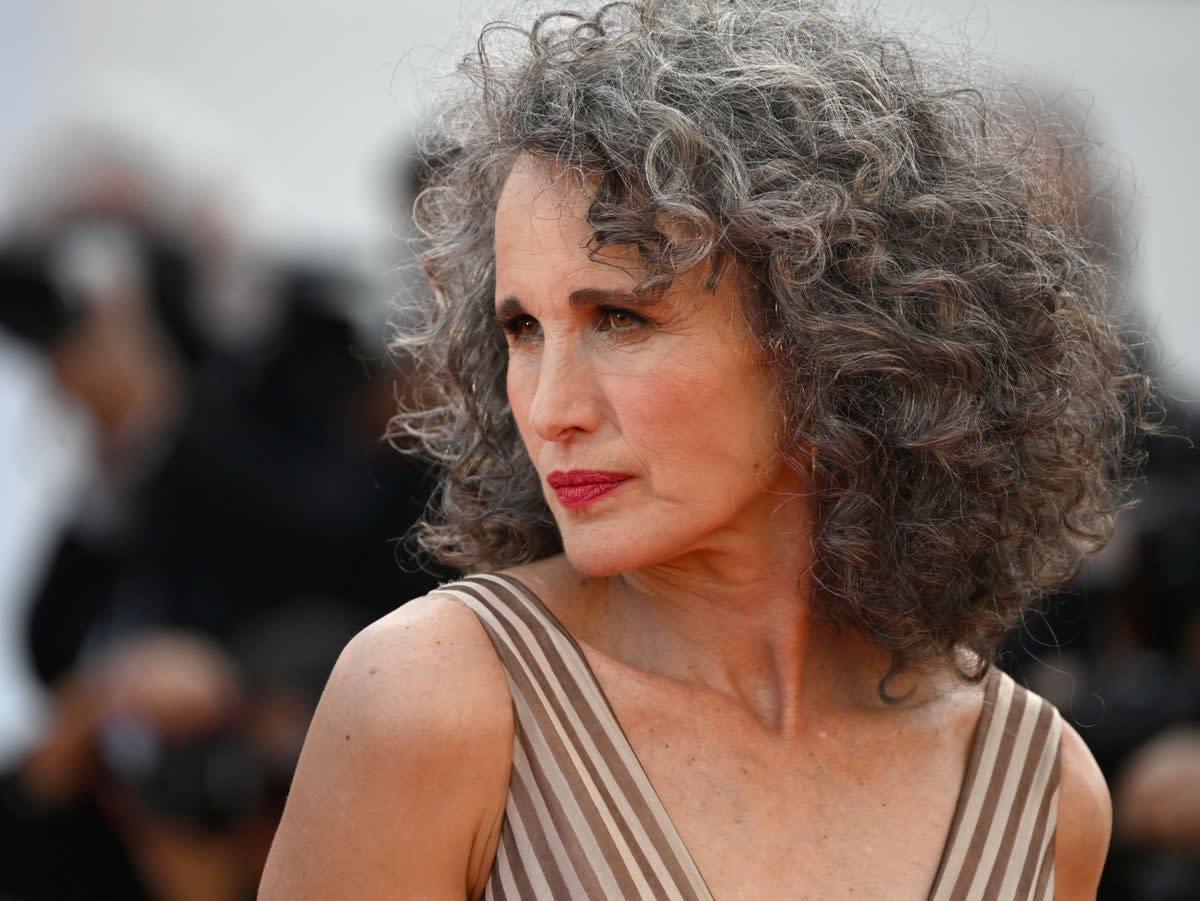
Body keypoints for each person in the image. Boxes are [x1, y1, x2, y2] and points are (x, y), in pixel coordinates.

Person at [260, 1, 1147, 897]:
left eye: (620, 317)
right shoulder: (434, 699)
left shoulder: (1040, 790)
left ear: (827, 335)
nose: (551, 406)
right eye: (522, 328)